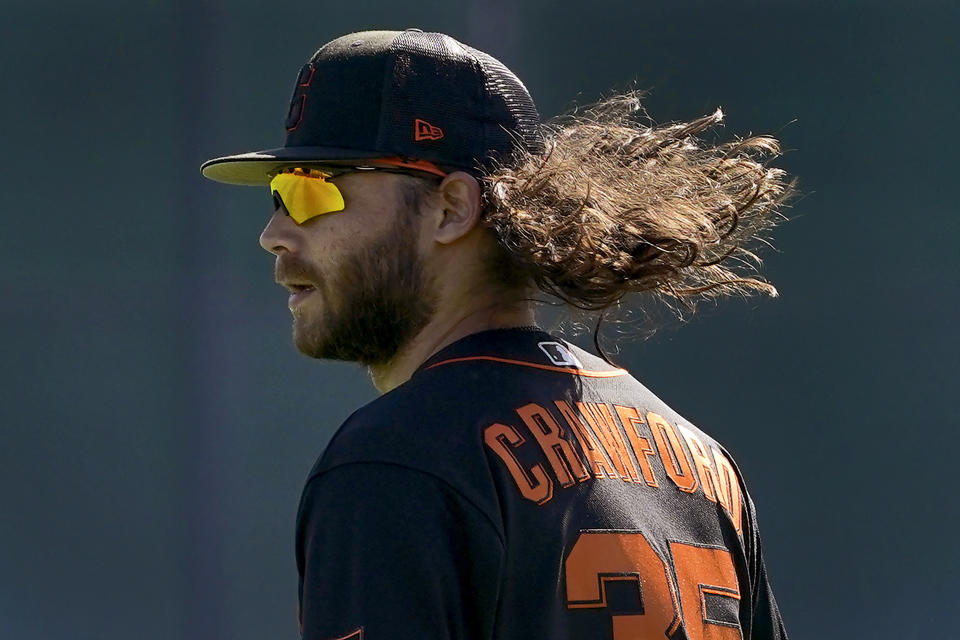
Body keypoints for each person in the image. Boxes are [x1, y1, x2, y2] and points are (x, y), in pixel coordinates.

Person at [201, 28, 794, 640]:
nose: (274, 232)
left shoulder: (396, 457)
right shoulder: (702, 463)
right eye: (278, 194)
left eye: (310, 191)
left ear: (453, 207)